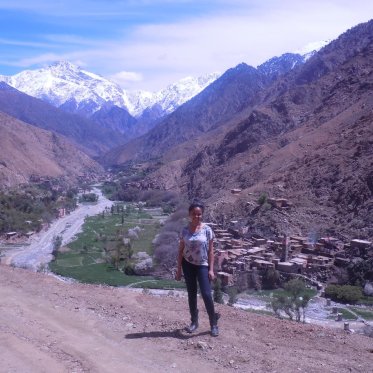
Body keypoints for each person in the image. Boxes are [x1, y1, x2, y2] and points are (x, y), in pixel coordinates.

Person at [175, 201, 219, 337]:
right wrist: (178, 270)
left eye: (199, 214)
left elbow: (211, 251)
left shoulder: (207, 230)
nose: (197, 216)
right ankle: (194, 321)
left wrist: (211, 270)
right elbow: (181, 250)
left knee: (206, 294)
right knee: (191, 294)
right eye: (194, 214)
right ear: (189, 214)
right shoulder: (184, 230)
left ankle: (213, 323)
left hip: (203, 265)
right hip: (188, 265)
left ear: (202, 215)